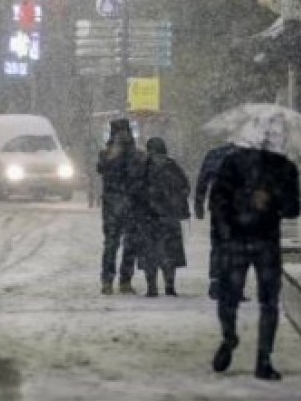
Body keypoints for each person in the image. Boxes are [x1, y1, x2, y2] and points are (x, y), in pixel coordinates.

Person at [207, 123, 301, 381]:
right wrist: (252, 200)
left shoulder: (239, 164)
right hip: (254, 241)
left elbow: (217, 202)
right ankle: (254, 353)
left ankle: (246, 347)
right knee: (253, 300)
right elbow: (218, 202)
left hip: (252, 241)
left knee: (243, 299)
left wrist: (270, 197)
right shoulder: (275, 168)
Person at [135, 137, 191, 297]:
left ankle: (152, 288)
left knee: (149, 253)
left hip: (148, 218)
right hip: (170, 217)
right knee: (170, 252)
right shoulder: (171, 165)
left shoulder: (143, 166)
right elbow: (185, 187)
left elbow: (135, 190)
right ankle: (170, 286)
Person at [97, 118, 146, 294]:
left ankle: (111, 281)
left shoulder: (109, 154)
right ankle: (119, 281)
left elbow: (103, 169)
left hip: (117, 205)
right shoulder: (132, 155)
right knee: (123, 244)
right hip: (126, 204)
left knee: (115, 244)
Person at [194, 141, 239, 300]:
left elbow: (202, 180)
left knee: (218, 246)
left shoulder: (214, 154)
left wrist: (198, 204)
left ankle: (215, 284)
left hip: (219, 206)